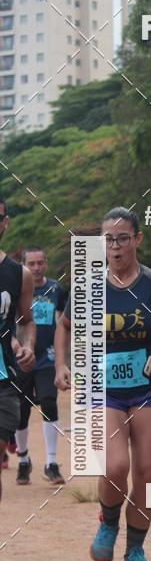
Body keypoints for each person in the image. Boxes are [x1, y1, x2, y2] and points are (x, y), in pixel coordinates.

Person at [55, 207, 151, 561]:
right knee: (116, 466)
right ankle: (109, 521)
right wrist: (62, 365)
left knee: (147, 474)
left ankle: (135, 550)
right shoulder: (88, 285)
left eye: (122, 238)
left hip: (150, 388)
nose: (115, 247)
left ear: (137, 239)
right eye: (109, 239)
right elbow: (65, 325)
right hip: (104, 390)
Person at [14, 246, 67, 485]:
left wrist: (61, 360)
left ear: (46, 263)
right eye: (31, 264)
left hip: (46, 358)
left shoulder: (56, 289)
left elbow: (65, 322)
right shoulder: (15, 287)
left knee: (48, 403)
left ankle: (51, 463)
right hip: (21, 360)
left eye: (39, 263)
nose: (36, 268)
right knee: (21, 413)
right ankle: (24, 460)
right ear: (23, 264)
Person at [0, 198, 35, 499]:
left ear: (6, 221)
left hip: (3, 382)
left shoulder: (18, 274)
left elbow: (26, 321)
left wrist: (27, 346)